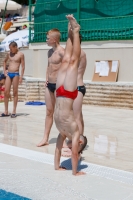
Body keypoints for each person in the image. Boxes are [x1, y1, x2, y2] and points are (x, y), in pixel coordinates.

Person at [54, 15, 87, 176]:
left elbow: (62, 151)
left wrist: (62, 168)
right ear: (79, 141)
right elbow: (68, 152)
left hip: (64, 93)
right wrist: (74, 172)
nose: (73, 146)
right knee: (70, 61)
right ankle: (74, 30)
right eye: (75, 144)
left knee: (67, 60)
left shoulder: (67, 132)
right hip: (62, 94)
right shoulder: (67, 131)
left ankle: (71, 31)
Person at [37, 29, 64, 147]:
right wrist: (46, 78)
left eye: (48, 38)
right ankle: (45, 138)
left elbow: (70, 68)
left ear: (54, 39)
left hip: (60, 85)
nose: (46, 40)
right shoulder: (49, 52)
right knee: (49, 112)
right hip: (50, 85)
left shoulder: (62, 52)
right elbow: (49, 67)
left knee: (60, 113)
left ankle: (63, 138)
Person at [62, 37, 87, 157]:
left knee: (76, 117)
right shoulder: (79, 53)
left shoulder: (79, 53)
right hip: (74, 88)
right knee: (78, 116)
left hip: (76, 88)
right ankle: (78, 140)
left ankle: (78, 146)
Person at [0, 42, 25, 118]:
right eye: (9, 48)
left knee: (15, 92)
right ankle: (6, 111)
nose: (10, 50)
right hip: (9, 74)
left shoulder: (21, 55)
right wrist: (4, 71)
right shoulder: (9, 54)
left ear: (15, 47)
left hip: (16, 74)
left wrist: (21, 77)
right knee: (6, 92)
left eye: (11, 48)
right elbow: (4, 61)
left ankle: (14, 111)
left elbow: (23, 66)